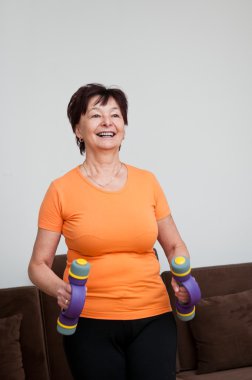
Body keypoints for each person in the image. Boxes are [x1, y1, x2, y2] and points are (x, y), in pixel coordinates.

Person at [28, 83, 190, 380]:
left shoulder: (148, 182)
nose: (107, 122)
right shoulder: (60, 190)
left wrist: (182, 279)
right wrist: (59, 289)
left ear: (124, 128)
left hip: (153, 315)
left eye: (115, 115)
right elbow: (37, 265)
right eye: (95, 115)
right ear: (77, 129)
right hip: (90, 321)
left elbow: (175, 246)